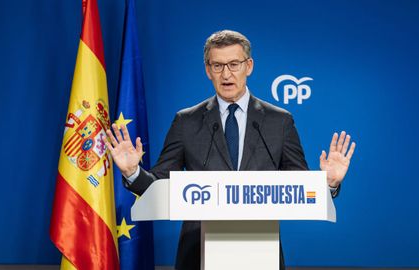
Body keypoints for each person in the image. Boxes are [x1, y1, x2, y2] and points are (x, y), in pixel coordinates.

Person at [103, 30, 356, 270]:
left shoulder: (280, 121)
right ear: (207, 70)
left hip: (260, 252)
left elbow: (297, 187)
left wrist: (327, 185)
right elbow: (159, 185)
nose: (226, 74)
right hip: (198, 254)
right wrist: (133, 172)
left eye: (234, 64)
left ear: (249, 66)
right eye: (217, 65)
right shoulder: (186, 121)